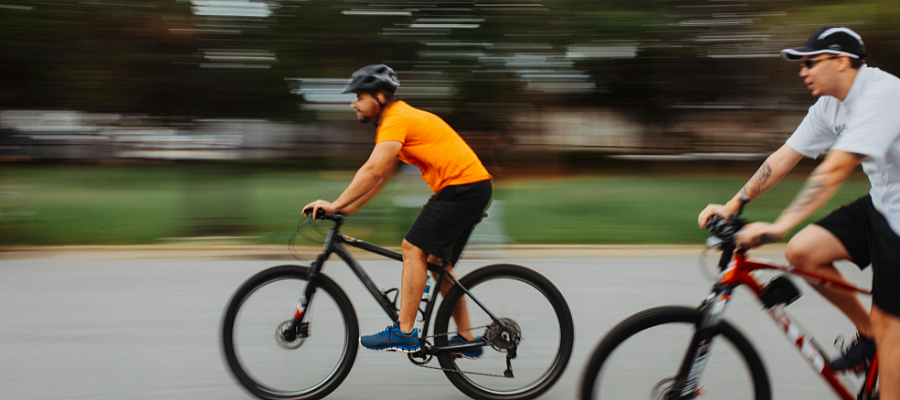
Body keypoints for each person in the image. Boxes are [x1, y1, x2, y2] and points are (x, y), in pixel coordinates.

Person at [699, 26, 900, 396]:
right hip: (884, 203)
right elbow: (784, 158)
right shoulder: (830, 104)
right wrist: (733, 205)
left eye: (810, 62)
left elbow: (836, 168)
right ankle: (868, 334)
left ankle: (882, 342)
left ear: (841, 61)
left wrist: (780, 225)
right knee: (803, 252)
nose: (802, 70)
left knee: (893, 330)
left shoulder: (882, 94)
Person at [303, 64, 493, 358]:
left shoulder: (396, 118)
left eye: (358, 96)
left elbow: (373, 169)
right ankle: (467, 340)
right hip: (470, 188)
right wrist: (348, 209)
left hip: (461, 188)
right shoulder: (395, 121)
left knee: (411, 248)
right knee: (435, 261)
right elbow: (383, 175)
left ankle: (405, 333)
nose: (353, 103)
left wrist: (334, 204)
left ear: (379, 96)